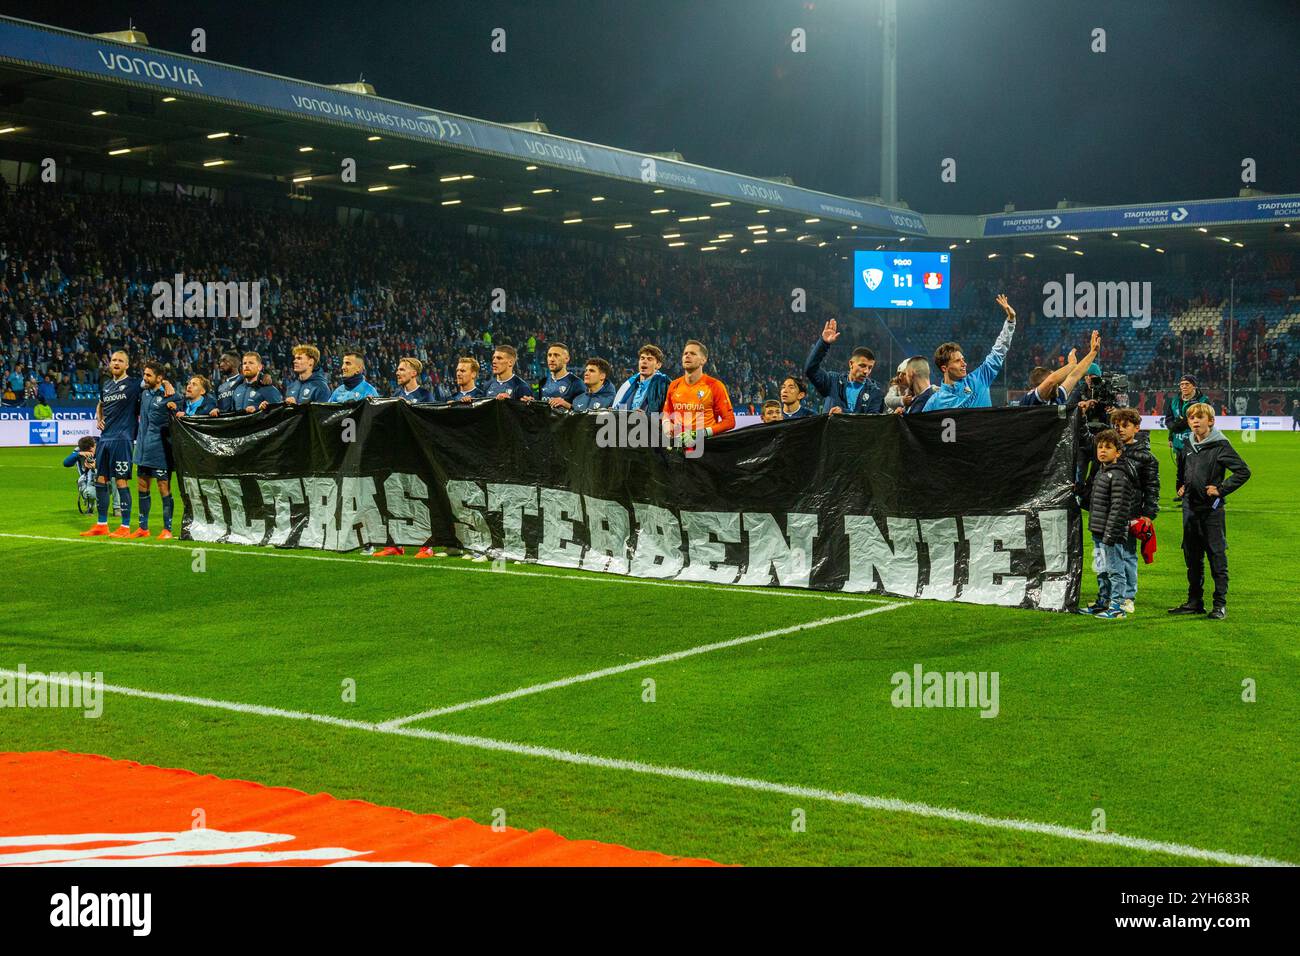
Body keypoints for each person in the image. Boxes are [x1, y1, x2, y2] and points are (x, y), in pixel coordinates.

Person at [1170, 403, 1251, 620]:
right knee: (1192, 557)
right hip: (1189, 509)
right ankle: (1194, 601)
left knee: (1216, 556)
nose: (1195, 421)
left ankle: (1219, 604)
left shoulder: (1221, 446)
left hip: (1211, 511)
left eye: (1200, 418)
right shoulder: (1187, 445)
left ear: (1211, 421)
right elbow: (1181, 467)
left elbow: (1243, 472)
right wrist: (1181, 484)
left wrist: (1221, 489)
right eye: (1191, 418)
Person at [1078, 429, 1139, 619]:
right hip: (1098, 531)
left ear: (1118, 452)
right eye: (1100, 447)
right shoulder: (1101, 473)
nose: (1102, 450)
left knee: (1114, 570)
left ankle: (1118, 607)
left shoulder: (1119, 476)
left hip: (1110, 533)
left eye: (1108, 447)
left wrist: (1111, 533)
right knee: (1101, 569)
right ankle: (1102, 601)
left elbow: (1119, 508)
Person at [81, 350, 141, 537]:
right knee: (101, 479)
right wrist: (100, 418)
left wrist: (166, 383)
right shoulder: (106, 385)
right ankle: (101, 524)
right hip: (105, 438)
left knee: (121, 480)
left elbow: (154, 382)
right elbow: (100, 404)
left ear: (127, 365)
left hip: (122, 439)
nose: (116, 363)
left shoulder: (134, 384)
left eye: (120, 361)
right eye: (113, 360)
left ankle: (124, 527)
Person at [923, 294, 1018, 411]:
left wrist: (1010, 321)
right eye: (958, 361)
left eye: (963, 359)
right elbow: (920, 426)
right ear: (944, 368)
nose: (964, 364)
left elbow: (999, 350)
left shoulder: (980, 378)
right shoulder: (934, 402)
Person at [1109, 407, 1160, 614]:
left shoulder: (1146, 457)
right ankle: (1111, 595)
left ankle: (1128, 596)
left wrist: (1148, 514)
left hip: (1131, 513)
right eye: (1116, 425)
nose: (1120, 429)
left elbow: (1152, 487)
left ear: (1137, 428)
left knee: (1128, 555)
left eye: (1125, 425)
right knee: (1108, 555)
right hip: (1109, 512)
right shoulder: (1112, 451)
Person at [131, 360, 178, 539]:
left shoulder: (171, 395)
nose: (145, 377)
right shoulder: (144, 393)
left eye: (149, 375)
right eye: (144, 374)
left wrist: (167, 385)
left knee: (163, 487)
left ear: (159, 378)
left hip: (161, 450)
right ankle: (143, 528)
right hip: (142, 448)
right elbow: (140, 384)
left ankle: (167, 529)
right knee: (142, 486)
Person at [663, 340, 735, 445]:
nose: (687, 356)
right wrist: (666, 424)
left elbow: (729, 421)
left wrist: (702, 433)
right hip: (678, 447)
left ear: (703, 360)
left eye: (693, 353)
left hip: (705, 447)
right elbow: (667, 413)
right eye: (685, 353)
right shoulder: (674, 385)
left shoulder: (715, 386)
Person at [804, 319, 884, 415]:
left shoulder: (875, 392)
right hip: (830, 430)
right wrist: (823, 343)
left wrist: (844, 413)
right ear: (851, 364)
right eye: (862, 366)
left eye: (870, 367)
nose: (866, 371)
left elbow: (873, 422)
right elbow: (810, 369)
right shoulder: (833, 381)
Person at [1021, 331, 1099, 406]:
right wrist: (1071, 365)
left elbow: (1075, 376)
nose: (1057, 383)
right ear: (1040, 383)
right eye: (1050, 375)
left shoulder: (1057, 396)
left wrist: (1093, 352)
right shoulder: (1031, 398)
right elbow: (1051, 381)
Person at [1163, 375, 1210, 492]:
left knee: (1195, 469)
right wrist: (1171, 435)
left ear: (1194, 386)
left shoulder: (1202, 400)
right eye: (1181, 384)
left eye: (1187, 384)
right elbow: (1169, 418)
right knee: (1180, 469)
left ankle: (1194, 493)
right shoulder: (1174, 400)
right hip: (1178, 441)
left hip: (1196, 441)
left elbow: (1201, 419)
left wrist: (1179, 425)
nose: (1184, 387)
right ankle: (1181, 492)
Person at [612, 344, 671, 414]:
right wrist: (614, 412)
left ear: (658, 365)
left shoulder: (664, 385)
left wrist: (646, 418)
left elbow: (670, 416)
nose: (644, 361)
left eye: (649, 359)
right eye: (642, 358)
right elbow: (622, 408)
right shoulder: (632, 385)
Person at [537, 343, 584, 409]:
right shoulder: (543, 382)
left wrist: (566, 405)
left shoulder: (577, 383)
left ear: (566, 359)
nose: (551, 359)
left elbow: (583, 413)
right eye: (549, 355)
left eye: (556, 355)